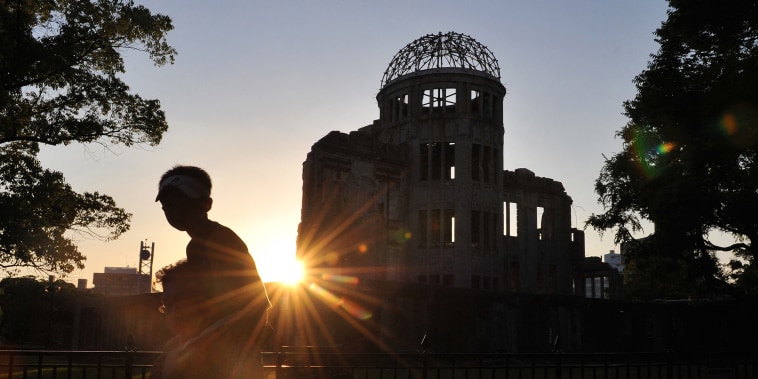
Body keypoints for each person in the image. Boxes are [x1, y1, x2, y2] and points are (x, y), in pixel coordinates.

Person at [153, 165, 272, 378]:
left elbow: (254, 304)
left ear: (206, 204)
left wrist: (202, 341)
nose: (173, 209)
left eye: (182, 202)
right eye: (167, 205)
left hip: (233, 351)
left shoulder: (220, 240)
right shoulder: (197, 244)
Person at [151, 260, 266, 379]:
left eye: (182, 302)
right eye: (167, 304)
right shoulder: (168, 355)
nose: (174, 313)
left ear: (205, 302)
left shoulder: (238, 353)